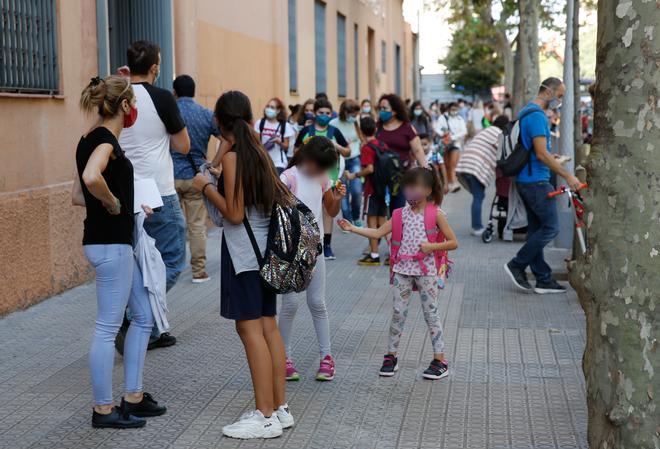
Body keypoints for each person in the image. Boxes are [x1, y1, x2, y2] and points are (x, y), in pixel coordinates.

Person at [192, 90, 293, 439]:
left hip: (245, 259)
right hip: (266, 255)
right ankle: (279, 409)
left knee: (250, 332)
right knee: (268, 329)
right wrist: (220, 155)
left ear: (220, 122)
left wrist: (206, 186)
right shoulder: (259, 153)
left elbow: (233, 214)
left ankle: (263, 416)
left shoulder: (235, 159)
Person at [72, 75, 166, 429]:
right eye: (135, 103)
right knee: (107, 328)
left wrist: (128, 204)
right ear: (125, 105)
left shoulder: (87, 139)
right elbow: (92, 179)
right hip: (111, 245)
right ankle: (102, 410)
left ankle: (134, 397)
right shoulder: (106, 141)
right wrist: (113, 204)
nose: (136, 110)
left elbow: (78, 194)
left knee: (142, 316)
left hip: (110, 242)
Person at [338, 168, 458, 379]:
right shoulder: (399, 214)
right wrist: (353, 228)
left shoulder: (435, 214)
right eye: (408, 186)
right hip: (402, 270)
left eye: (415, 186)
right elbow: (377, 232)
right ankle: (391, 356)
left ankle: (440, 360)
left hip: (427, 271)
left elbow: (453, 242)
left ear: (428, 190)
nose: (410, 190)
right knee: (397, 313)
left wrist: (431, 247)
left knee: (431, 314)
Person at [117, 40, 190, 350]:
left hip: (123, 192)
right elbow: (183, 146)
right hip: (159, 192)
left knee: (139, 261)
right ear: (155, 68)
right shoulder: (161, 97)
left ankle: (153, 328)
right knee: (173, 259)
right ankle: (137, 317)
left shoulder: (116, 96)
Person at [504, 77, 582, 295]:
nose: (560, 100)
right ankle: (517, 264)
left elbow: (537, 150)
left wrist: (551, 156)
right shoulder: (537, 116)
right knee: (551, 228)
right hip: (536, 181)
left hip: (528, 179)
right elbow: (540, 153)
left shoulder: (527, 112)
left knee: (537, 229)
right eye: (560, 95)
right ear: (548, 92)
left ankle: (543, 278)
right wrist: (567, 175)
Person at [279, 137, 346, 382]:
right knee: (290, 305)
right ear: (307, 158)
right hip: (290, 252)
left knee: (317, 303)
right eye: (321, 167)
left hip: (314, 250)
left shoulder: (321, 178)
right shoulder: (288, 178)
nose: (322, 172)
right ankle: (283, 358)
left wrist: (337, 197)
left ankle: (327, 357)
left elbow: (330, 210)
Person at [171, 74, 220, 284]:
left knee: (171, 224)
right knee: (197, 226)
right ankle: (199, 271)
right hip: (196, 176)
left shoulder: (168, 113)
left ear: (174, 92)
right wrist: (214, 164)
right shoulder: (206, 114)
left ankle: (169, 268)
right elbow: (225, 138)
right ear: (194, 91)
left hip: (169, 175)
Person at [295, 98, 350, 260]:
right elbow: (296, 150)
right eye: (321, 113)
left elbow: (347, 152)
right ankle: (306, 242)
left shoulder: (335, 131)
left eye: (327, 113)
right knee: (309, 209)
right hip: (309, 177)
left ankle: (326, 245)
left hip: (330, 176)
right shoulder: (306, 131)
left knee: (327, 210)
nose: (324, 116)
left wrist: (337, 146)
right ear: (315, 113)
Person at [456, 116, 510, 236]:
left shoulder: (486, 130)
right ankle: (477, 227)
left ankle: (476, 225)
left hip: (466, 163)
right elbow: (505, 152)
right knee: (478, 196)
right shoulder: (498, 133)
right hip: (475, 166)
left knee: (477, 195)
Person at [344, 116, 387, 266]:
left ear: (360, 132)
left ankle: (374, 255)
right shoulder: (382, 144)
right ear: (375, 129)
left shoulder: (367, 148)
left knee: (371, 224)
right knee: (384, 223)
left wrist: (353, 175)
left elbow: (369, 168)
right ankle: (395, 253)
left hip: (372, 189)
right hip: (384, 189)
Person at [375, 93, 428, 211]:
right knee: (379, 212)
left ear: (394, 111)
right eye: (380, 108)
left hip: (401, 176)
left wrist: (425, 169)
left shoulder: (407, 128)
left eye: (385, 108)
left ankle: (397, 229)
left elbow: (418, 150)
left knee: (397, 209)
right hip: (379, 176)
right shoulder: (377, 127)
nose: (381, 111)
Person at [331, 99, 363, 226]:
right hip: (340, 160)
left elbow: (360, 138)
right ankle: (347, 221)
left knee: (356, 191)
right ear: (345, 112)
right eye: (353, 114)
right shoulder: (333, 124)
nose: (355, 117)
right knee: (343, 192)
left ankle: (356, 217)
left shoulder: (356, 121)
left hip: (355, 157)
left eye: (356, 114)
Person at [255, 97, 296, 174]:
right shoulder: (260, 123)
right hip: (262, 161)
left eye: (272, 107)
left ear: (278, 110)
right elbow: (256, 142)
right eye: (268, 106)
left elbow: (286, 146)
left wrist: (279, 142)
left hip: (278, 163)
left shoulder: (284, 125)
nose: (269, 109)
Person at [435, 102, 468, 193]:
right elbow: (437, 129)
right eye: (452, 109)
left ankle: (454, 183)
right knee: (446, 165)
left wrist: (453, 137)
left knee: (453, 164)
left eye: (456, 109)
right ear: (449, 109)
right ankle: (448, 182)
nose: (454, 111)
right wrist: (443, 134)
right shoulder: (443, 118)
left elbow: (464, 131)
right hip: (445, 144)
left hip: (456, 144)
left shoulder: (460, 119)